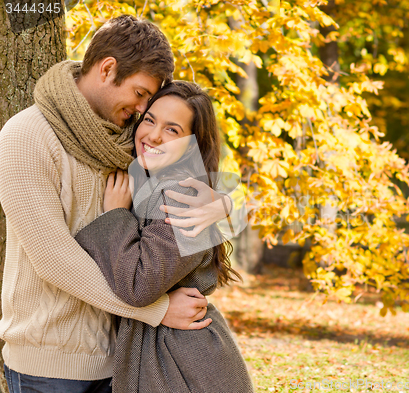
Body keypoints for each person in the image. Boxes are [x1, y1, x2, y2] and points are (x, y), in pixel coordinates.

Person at [0, 15, 231, 393]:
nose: (142, 111)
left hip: (124, 361)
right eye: (141, 94)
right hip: (50, 365)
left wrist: (224, 203)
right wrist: (156, 310)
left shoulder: (129, 139)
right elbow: (53, 259)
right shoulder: (27, 136)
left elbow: (190, 169)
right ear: (108, 69)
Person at [75, 81, 254, 393]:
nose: (154, 136)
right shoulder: (150, 181)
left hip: (181, 362)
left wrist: (114, 216)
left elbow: (139, 285)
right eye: (149, 120)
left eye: (172, 130)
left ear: (192, 144)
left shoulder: (182, 193)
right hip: (168, 351)